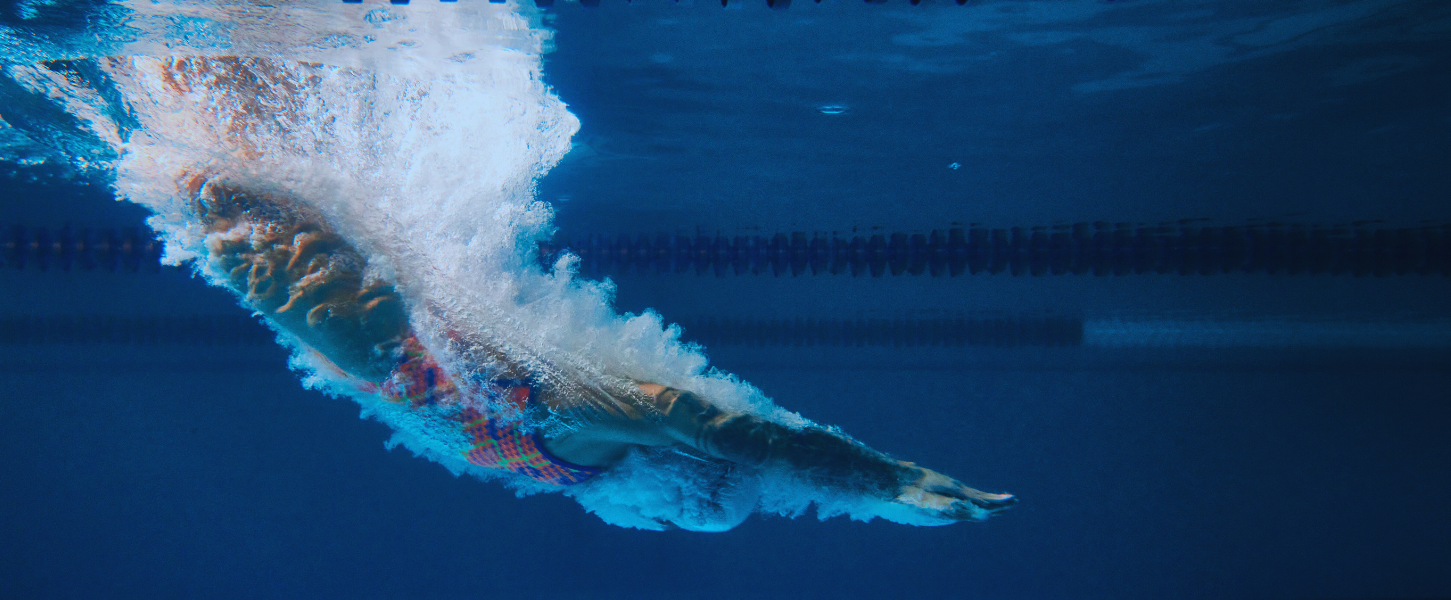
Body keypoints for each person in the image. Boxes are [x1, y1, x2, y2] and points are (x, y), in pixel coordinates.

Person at [183, 167, 1014, 529]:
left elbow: (718, 443)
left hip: (376, 343)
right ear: (667, 482)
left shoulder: (572, 466)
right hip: (371, 337)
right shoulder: (576, 426)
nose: (650, 525)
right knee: (205, 185)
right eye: (673, 517)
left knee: (214, 178)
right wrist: (881, 478)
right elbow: (710, 426)